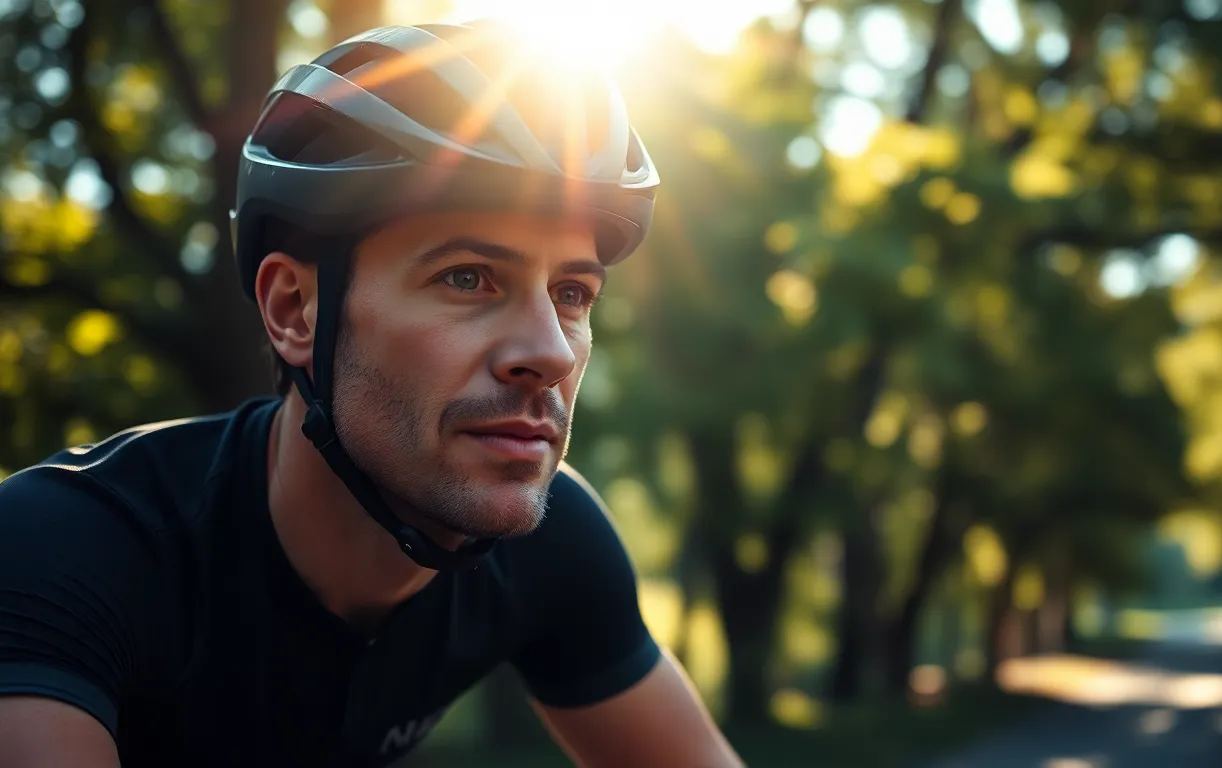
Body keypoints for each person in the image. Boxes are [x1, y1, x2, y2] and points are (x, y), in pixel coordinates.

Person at [0, 21, 743, 768]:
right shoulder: (61, 553)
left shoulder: (553, 542)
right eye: (467, 278)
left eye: (573, 292)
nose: (550, 351)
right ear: (294, 310)